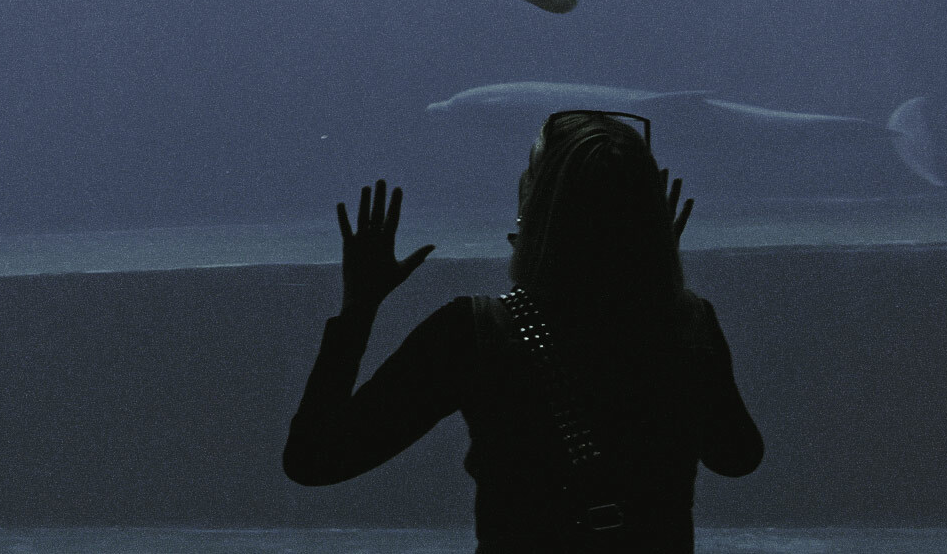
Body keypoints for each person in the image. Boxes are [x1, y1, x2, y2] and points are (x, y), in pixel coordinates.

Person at [282, 111, 764, 552]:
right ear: (647, 211)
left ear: (533, 206)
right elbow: (737, 456)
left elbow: (314, 461)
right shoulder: (689, 322)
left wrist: (359, 309)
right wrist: (648, 273)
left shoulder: (471, 334)